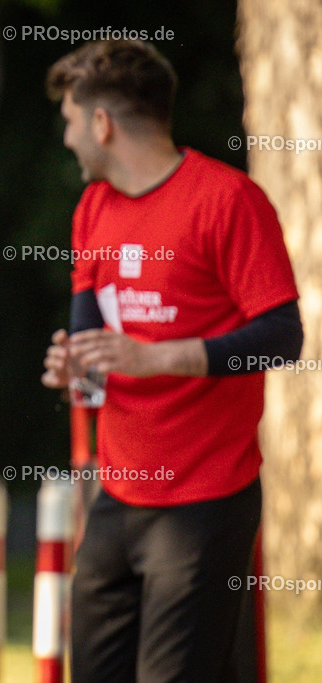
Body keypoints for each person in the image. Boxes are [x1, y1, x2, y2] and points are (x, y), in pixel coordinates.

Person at [40, 40, 302, 682]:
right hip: (117, 494)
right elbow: (93, 338)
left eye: (72, 121)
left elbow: (283, 337)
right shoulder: (93, 209)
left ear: (102, 123)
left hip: (205, 499)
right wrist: (75, 365)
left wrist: (156, 356)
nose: (68, 137)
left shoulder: (229, 200)